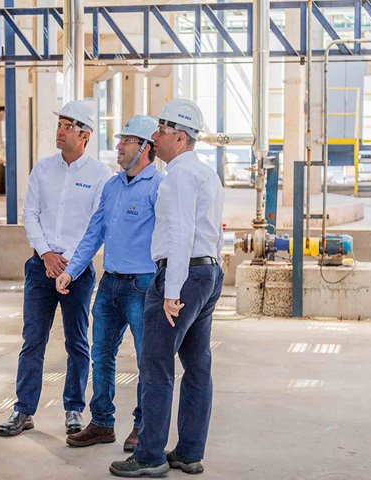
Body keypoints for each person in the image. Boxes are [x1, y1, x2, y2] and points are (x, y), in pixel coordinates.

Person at [109, 99, 225, 478]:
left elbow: (179, 235)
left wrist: (171, 290)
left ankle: (150, 455)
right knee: (196, 365)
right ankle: (189, 452)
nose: (154, 137)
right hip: (208, 274)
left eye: (160, 131)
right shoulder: (207, 175)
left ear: (179, 136)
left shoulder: (177, 176)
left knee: (156, 364)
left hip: (182, 276)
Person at [0, 100, 112, 438]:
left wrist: (69, 265)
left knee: (77, 342)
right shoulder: (43, 168)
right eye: (59, 125)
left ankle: (74, 409)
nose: (59, 132)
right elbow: (29, 213)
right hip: (40, 268)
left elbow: (96, 227)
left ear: (85, 135)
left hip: (77, 272)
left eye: (67, 127)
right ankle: (23, 409)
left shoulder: (99, 175)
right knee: (33, 340)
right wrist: (47, 255)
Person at [57, 116, 164, 452]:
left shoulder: (159, 188)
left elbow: (172, 239)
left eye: (127, 141)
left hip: (143, 286)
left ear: (146, 148)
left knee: (147, 359)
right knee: (101, 356)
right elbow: (94, 233)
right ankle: (102, 422)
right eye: (120, 140)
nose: (118, 147)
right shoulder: (113, 186)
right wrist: (71, 270)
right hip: (109, 285)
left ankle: (142, 426)